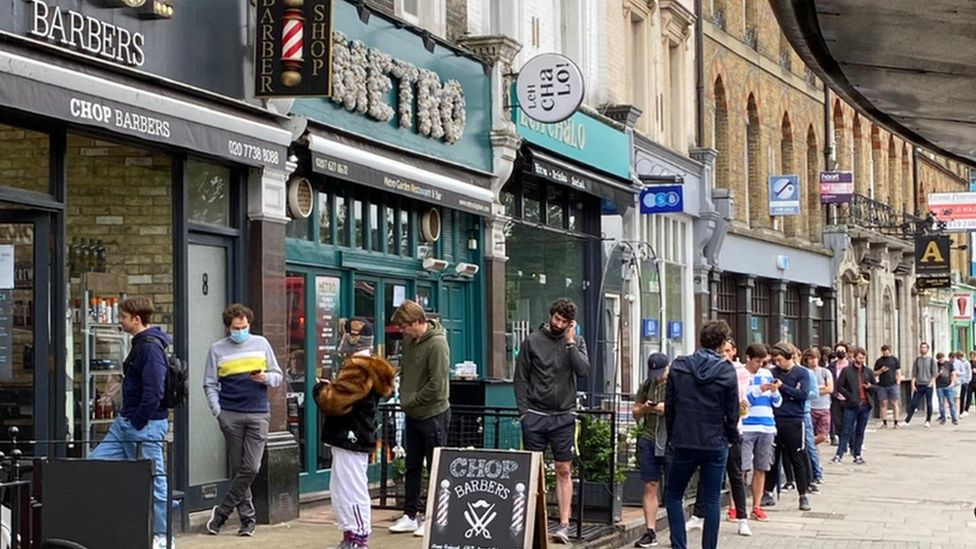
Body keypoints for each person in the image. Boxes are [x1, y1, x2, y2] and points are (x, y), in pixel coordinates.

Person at [89, 297, 172, 549]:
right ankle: (114, 522)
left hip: (143, 425)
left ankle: (162, 535)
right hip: (126, 423)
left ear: (136, 319)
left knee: (155, 479)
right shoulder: (141, 345)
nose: (120, 320)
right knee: (94, 464)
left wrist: (137, 422)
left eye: (123, 316)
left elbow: (154, 391)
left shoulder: (150, 348)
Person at [313, 318, 396, 549]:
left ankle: (359, 537)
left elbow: (336, 401)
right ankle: (351, 536)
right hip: (351, 434)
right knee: (342, 488)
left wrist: (321, 389)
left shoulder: (359, 366)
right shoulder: (365, 364)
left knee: (351, 488)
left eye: (346, 335)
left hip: (351, 434)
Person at [514, 298, 589, 544]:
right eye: (556, 318)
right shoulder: (531, 341)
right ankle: (532, 520)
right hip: (535, 415)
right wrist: (524, 413)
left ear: (570, 324)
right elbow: (521, 378)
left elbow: (583, 370)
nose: (558, 323)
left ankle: (564, 524)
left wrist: (569, 342)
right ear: (551, 314)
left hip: (563, 416)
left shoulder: (576, 342)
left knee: (564, 469)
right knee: (532, 472)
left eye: (563, 321)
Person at [204, 303, 283, 537]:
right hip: (230, 414)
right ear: (228, 327)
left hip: (258, 412)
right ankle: (248, 520)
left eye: (245, 327)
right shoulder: (217, 349)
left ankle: (221, 512)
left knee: (251, 467)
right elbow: (209, 383)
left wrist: (266, 377)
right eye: (236, 328)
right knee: (240, 468)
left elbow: (278, 375)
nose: (241, 331)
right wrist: (218, 412)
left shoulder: (261, 344)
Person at [664, 320, 740, 549]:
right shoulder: (727, 370)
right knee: (712, 499)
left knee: (674, 495)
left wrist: (672, 435)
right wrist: (730, 438)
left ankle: (679, 545)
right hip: (715, 441)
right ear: (721, 343)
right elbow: (732, 411)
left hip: (685, 439)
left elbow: (670, 406)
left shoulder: (679, 366)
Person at [388, 300, 451, 536]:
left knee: (435, 467)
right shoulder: (410, 341)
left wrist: (411, 401)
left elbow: (437, 384)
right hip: (412, 413)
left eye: (404, 326)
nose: (402, 331)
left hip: (433, 414)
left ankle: (433, 517)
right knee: (412, 466)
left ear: (417, 322)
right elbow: (406, 370)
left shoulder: (437, 344)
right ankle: (410, 515)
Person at [686, 339, 750, 537]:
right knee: (707, 476)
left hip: (731, 429)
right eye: (722, 351)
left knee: (735, 475)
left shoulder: (739, 372)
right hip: (712, 431)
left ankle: (742, 518)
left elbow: (740, 401)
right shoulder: (711, 370)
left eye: (728, 351)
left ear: (734, 352)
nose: (724, 354)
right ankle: (698, 515)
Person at [762, 342, 812, 512]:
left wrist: (783, 387)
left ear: (789, 357)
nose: (777, 363)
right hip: (775, 419)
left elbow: (802, 395)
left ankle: (803, 494)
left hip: (794, 420)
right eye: (775, 360)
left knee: (797, 458)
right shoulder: (771, 372)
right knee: (772, 458)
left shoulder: (802, 373)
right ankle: (768, 492)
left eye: (780, 360)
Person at [739, 343, 780, 524]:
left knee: (761, 467)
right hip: (747, 426)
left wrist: (775, 391)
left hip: (767, 425)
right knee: (742, 468)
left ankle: (756, 506)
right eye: (757, 361)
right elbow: (743, 401)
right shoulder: (741, 375)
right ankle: (737, 507)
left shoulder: (767, 374)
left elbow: (776, 402)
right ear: (748, 358)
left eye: (763, 362)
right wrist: (759, 389)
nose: (760, 365)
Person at [632, 353, 669, 548]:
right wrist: (646, 409)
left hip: (670, 440)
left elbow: (687, 408)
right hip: (649, 438)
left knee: (673, 489)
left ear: (668, 367)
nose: (657, 376)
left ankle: (676, 532)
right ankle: (650, 530)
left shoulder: (677, 384)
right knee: (650, 485)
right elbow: (635, 412)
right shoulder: (647, 384)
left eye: (660, 372)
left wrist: (666, 407)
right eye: (654, 372)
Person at [830, 347, 875, 465]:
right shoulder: (847, 370)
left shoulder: (868, 371)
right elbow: (839, 386)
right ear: (854, 357)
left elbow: (876, 387)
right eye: (859, 358)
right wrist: (850, 396)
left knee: (860, 431)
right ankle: (839, 454)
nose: (861, 360)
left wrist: (870, 387)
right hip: (851, 405)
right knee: (846, 430)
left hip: (865, 404)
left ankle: (858, 454)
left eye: (863, 358)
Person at [798, 349, 822, 489]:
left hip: (804, 411)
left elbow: (814, 393)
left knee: (809, 443)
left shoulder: (807, 373)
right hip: (788, 413)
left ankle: (816, 472)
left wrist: (799, 394)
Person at [904, 342, 938, 427]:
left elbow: (934, 373)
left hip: (928, 385)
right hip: (919, 384)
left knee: (929, 403)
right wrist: (913, 384)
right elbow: (914, 373)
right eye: (922, 347)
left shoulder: (931, 360)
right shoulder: (917, 360)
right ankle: (907, 420)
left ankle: (928, 420)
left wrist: (931, 382)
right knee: (913, 403)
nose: (923, 349)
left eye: (925, 347)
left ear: (927, 349)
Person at [810, 348, 834, 448]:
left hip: (824, 407)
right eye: (810, 358)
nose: (813, 360)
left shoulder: (825, 372)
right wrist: (820, 387)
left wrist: (814, 391)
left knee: (823, 435)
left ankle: (808, 445)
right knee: (810, 433)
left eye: (814, 358)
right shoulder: (806, 372)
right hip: (810, 408)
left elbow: (830, 389)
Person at [873, 344, 901, 428]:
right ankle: (884, 422)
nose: (885, 353)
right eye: (884, 351)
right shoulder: (879, 361)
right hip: (882, 385)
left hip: (893, 384)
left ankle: (896, 422)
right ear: (882, 351)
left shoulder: (894, 360)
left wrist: (898, 381)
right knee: (883, 403)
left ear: (890, 351)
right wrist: (881, 370)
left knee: (894, 403)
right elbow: (874, 373)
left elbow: (898, 371)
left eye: (887, 351)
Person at [827, 342, 850, 445]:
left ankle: (850, 441)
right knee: (838, 421)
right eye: (838, 351)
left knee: (848, 420)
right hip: (836, 397)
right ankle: (841, 441)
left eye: (843, 351)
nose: (840, 353)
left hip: (848, 397)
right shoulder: (831, 366)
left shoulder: (851, 365)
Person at [935, 352, 958, 425]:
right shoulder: (936, 365)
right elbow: (933, 377)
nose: (940, 360)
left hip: (948, 385)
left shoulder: (949, 364)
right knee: (941, 403)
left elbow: (953, 373)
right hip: (939, 386)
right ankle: (943, 418)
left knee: (951, 402)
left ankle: (954, 419)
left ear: (944, 357)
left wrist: (952, 383)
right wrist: (939, 373)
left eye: (941, 358)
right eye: (939, 359)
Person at [953, 351, 971, 419]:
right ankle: (955, 412)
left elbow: (969, 372)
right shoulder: (956, 363)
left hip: (964, 382)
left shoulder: (966, 363)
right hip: (957, 382)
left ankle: (961, 412)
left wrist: (967, 381)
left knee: (962, 397)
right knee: (956, 397)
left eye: (960, 357)